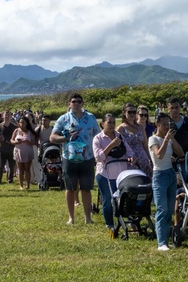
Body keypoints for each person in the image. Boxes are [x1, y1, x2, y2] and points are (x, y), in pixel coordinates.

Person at [50, 94, 100, 225]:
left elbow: (98, 136)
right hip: (69, 159)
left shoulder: (91, 118)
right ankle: (71, 218)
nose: (76, 103)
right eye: (74, 101)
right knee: (70, 188)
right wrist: (64, 138)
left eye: (79, 101)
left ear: (83, 103)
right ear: (69, 104)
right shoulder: (63, 119)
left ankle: (88, 218)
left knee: (86, 188)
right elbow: (52, 137)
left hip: (87, 158)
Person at [93, 113, 135, 234]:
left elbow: (129, 151)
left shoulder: (119, 136)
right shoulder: (98, 138)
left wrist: (132, 158)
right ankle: (109, 224)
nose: (111, 125)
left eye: (113, 122)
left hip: (121, 174)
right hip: (105, 174)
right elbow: (99, 157)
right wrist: (111, 145)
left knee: (124, 199)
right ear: (102, 124)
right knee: (108, 199)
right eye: (109, 122)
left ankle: (127, 220)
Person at [149, 112, 183, 251]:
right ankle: (161, 243)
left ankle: (166, 239)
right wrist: (165, 140)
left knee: (169, 210)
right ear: (156, 124)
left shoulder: (168, 139)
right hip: (159, 176)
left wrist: (171, 140)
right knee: (162, 209)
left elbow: (181, 152)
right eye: (163, 124)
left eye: (168, 124)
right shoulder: (153, 139)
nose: (166, 127)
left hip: (170, 174)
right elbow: (159, 155)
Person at [117, 103, 152, 178]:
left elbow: (145, 145)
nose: (132, 114)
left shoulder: (140, 127)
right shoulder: (120, 129)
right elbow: (117, 147)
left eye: (134, 112)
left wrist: (150, 159)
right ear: (124, 113)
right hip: (130, 162)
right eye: (129, 112)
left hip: (144, 161)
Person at [11, 115, 38, 190]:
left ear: (26, 123)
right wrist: (16, 142)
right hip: (18, 151)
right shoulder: (16, 131)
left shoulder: (30, 132)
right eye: (20, 122)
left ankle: (28, 184)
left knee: (27, 169)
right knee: (20, 169)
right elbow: (11, 140)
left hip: (27, 152)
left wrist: (28, 142)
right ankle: (21, 185)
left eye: (23, 122)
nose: (22, 124)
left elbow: (34, 142)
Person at [0, 110, 17, 185]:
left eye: (8, 115)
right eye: (5, 115)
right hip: (2, 148)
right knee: (1, 165)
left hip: (11, 148)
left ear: (11, 116)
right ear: (3, 116)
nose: (7, 116)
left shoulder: (14, 127)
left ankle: (10, 179)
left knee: (11, 165)